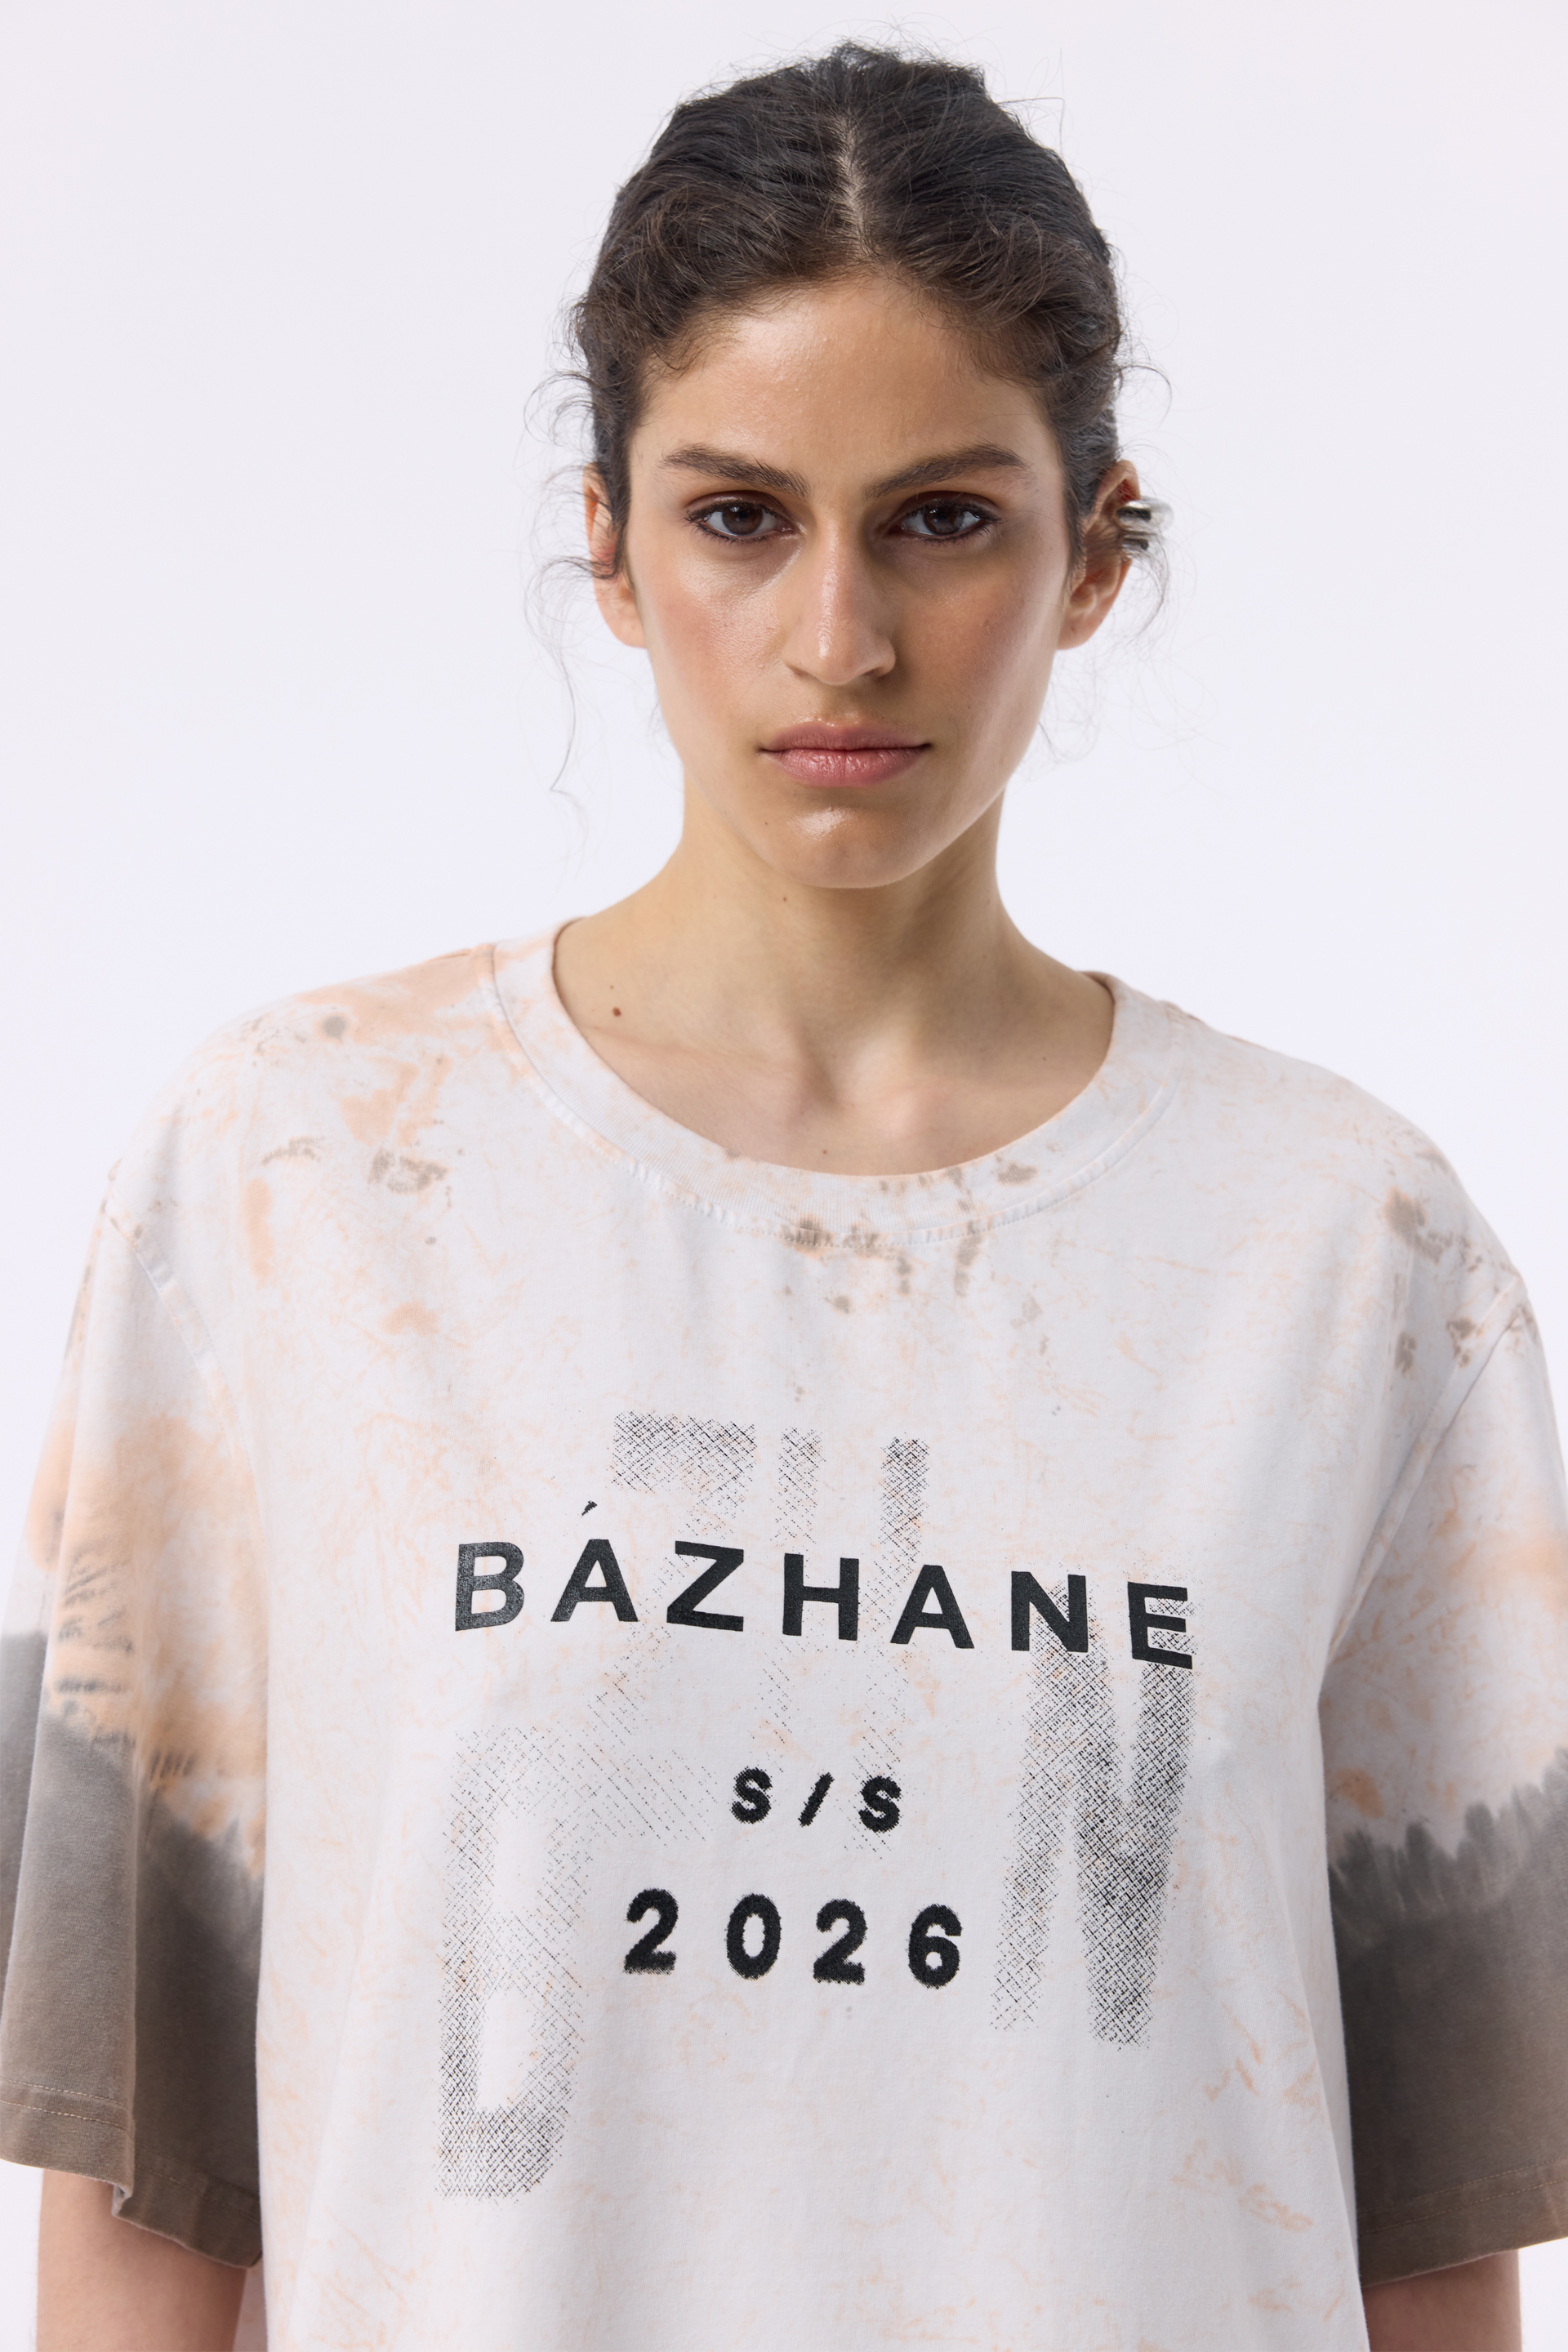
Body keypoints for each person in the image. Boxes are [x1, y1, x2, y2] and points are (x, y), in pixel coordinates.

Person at [1, 41, 1563, 2352]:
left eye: (942, 518)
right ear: (610, 546)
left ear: (1095, 549)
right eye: (740, 517)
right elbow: (149, 2189)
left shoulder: (1350, 1260)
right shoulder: (291, 1184)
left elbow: (1432, 2240)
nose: (841, 636)